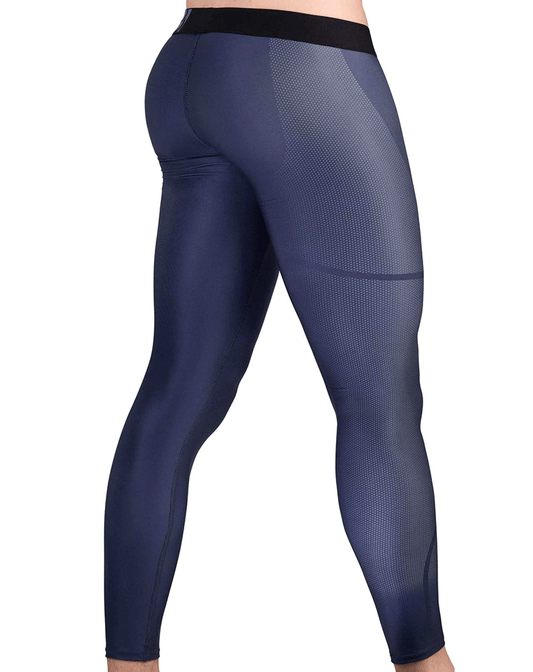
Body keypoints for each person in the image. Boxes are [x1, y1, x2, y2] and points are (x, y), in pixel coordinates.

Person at [104, 1, 455, 670]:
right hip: (305, 68)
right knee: (379, 403)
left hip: (189, 65)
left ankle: (127, 664)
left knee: (176, 394)